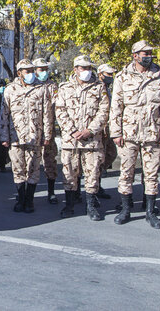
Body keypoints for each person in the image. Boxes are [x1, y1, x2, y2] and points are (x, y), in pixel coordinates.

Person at [110, 40, 160, 229]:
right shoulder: (122, 76)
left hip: (152, 133)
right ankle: (126, 209)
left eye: (150, 53)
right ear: (135, 55)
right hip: (128, 134)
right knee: (126, 173)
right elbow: (116, 107)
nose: (148, 56)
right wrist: (115, 132)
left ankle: (150, 212)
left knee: (151, 174)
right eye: (144, 53)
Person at [55, 55, 110, 220]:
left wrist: (90, 130)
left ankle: (91, 206)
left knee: (92, 174)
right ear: (75, 69)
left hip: (92, 141)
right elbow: (60, 110)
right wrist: (72, 131)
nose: (87, 71)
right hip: (71, 141)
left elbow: (104, 111)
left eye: (89, 68)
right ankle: (69, 205)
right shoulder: (65, 88)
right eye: (83, 68)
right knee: (70, 173)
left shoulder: (99, 87)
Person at [0, 59, 53, 214]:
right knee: (18, 169)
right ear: (19, 73)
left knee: (33, 169)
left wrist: (47, 135)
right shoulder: (10, 89)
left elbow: (47, 114)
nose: (31, 74)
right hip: (15, 137)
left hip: (35, 136)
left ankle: (30, 200)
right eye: (27, 71)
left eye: (32, 70)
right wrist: (4, 136)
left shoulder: (41, 89)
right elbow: (4, 115)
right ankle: (21, 198)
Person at [33, 57, 59, 204]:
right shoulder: (30, 86)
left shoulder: (52, 85)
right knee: (31, 162)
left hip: (48, 129)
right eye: (41, 69)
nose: (44, 72)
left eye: (45, 69)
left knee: (50, 160)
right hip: (33, 129)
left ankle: (51, 192)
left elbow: (57, 104)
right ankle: (28, 192)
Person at [97, 63, 118, 200]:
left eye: (112, 74)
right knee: (97, 160)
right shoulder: (96, 88)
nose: (110, 77)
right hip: (98, 130)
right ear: (100, 74)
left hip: (108, 129)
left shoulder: (108, 88)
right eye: (108, 74)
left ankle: (97, 185)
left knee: (110, 154)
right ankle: (94, 189)